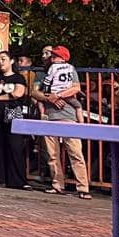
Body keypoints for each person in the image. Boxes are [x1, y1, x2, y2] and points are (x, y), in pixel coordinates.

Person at [32, 45, 91, 198]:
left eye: (53, 56)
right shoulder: (44, 73)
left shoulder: (69, 70)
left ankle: (83, 187)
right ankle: (57, 184)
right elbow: (35, 92)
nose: (50, 58)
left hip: (67, 115)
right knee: (52, 154)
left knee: (75, 152)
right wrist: (49, 97)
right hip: (50, 116)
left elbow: (76, 88)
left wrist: (57, 95)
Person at [0, 50, 30, 190]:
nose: (0, 62)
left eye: (3, 59)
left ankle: (17, 180)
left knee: (14, 146)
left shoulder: (18, 77)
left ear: (11, 61)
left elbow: (17, 93)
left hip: (11, 114)